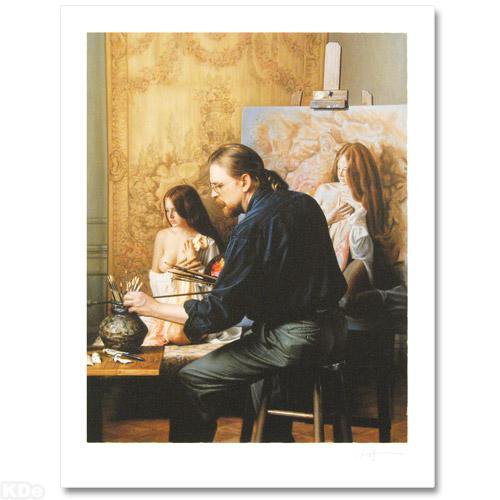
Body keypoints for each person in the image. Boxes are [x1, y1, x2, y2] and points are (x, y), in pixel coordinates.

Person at [124, 143, 347, 442]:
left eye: (218, 186)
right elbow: (292, 278)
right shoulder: (304, 203)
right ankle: (271, 445)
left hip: (297, 340)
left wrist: (151, 307)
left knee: (191, 379)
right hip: (335, 331)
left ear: (245, 181)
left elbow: (219, 314)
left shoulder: (251, 227)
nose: (214, 194)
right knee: (261, 372)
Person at [141, 184, 240, 346]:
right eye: (167, 210)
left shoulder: (206, 242)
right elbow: (154, 278)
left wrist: (197, 268)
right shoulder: (162, 236)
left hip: (194, 308)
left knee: (177, 335)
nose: (170, 216)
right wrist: (177, 272)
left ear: (188, 209)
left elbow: (216, 287)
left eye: (175, 210)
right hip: (164, 305)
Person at [313, 142, 386, 305]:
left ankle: (385, 297)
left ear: (358, 171)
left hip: (354, 257)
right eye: (339, 168)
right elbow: (306, 227)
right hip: (322, 253)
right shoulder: (325, 190)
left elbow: (362, 250)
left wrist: (358, 213)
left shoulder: (364, 198)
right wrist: (330, 218)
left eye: (346, 170)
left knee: (343, 301)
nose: (340, 174)